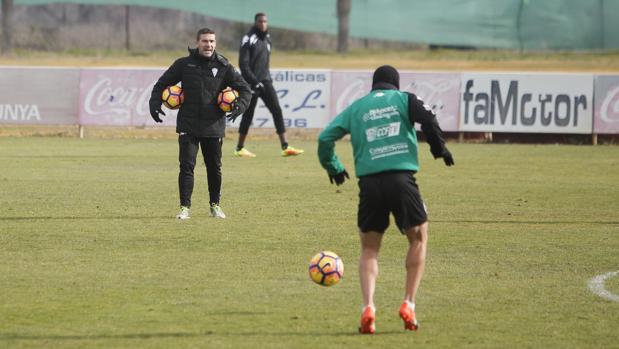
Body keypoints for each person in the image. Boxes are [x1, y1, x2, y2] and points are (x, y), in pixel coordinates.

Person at [317, 65, 454, 334]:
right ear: (395, 83)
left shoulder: (357, 107)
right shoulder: (405, 99)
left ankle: (368, 307)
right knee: (418, 238)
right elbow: (430, 119)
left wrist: (334, 167)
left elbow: (325, 138)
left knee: (369, 250)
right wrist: (439, 150)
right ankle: (408, 304)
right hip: (402, 180)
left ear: (374, 85)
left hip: (369, 184)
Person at [149, 28, 251, 220]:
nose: (209, 45)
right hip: (188, 125)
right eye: (205, 41)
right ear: (197, 42)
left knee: (214, 168)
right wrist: (154, 103)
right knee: (186, 167)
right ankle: (184, 208)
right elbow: (160, 85)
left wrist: (240, 106)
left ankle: (215, 205)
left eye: (212, 41)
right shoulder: (184, 64)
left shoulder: (224, 66)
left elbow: (245, 90)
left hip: (214, 126)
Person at [233, 12, 304, 158]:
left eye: (265, 21)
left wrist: (265, 79)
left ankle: (285, 146)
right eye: (260, 21)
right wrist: (254, 81)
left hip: (265, 82)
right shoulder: (248, 39)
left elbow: (265, 63)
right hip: (251, 83)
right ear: (255, 23)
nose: (263, 24)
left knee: (277, 110)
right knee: (248, 114)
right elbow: (243, 65)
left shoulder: (268, 39)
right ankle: (239, 148)